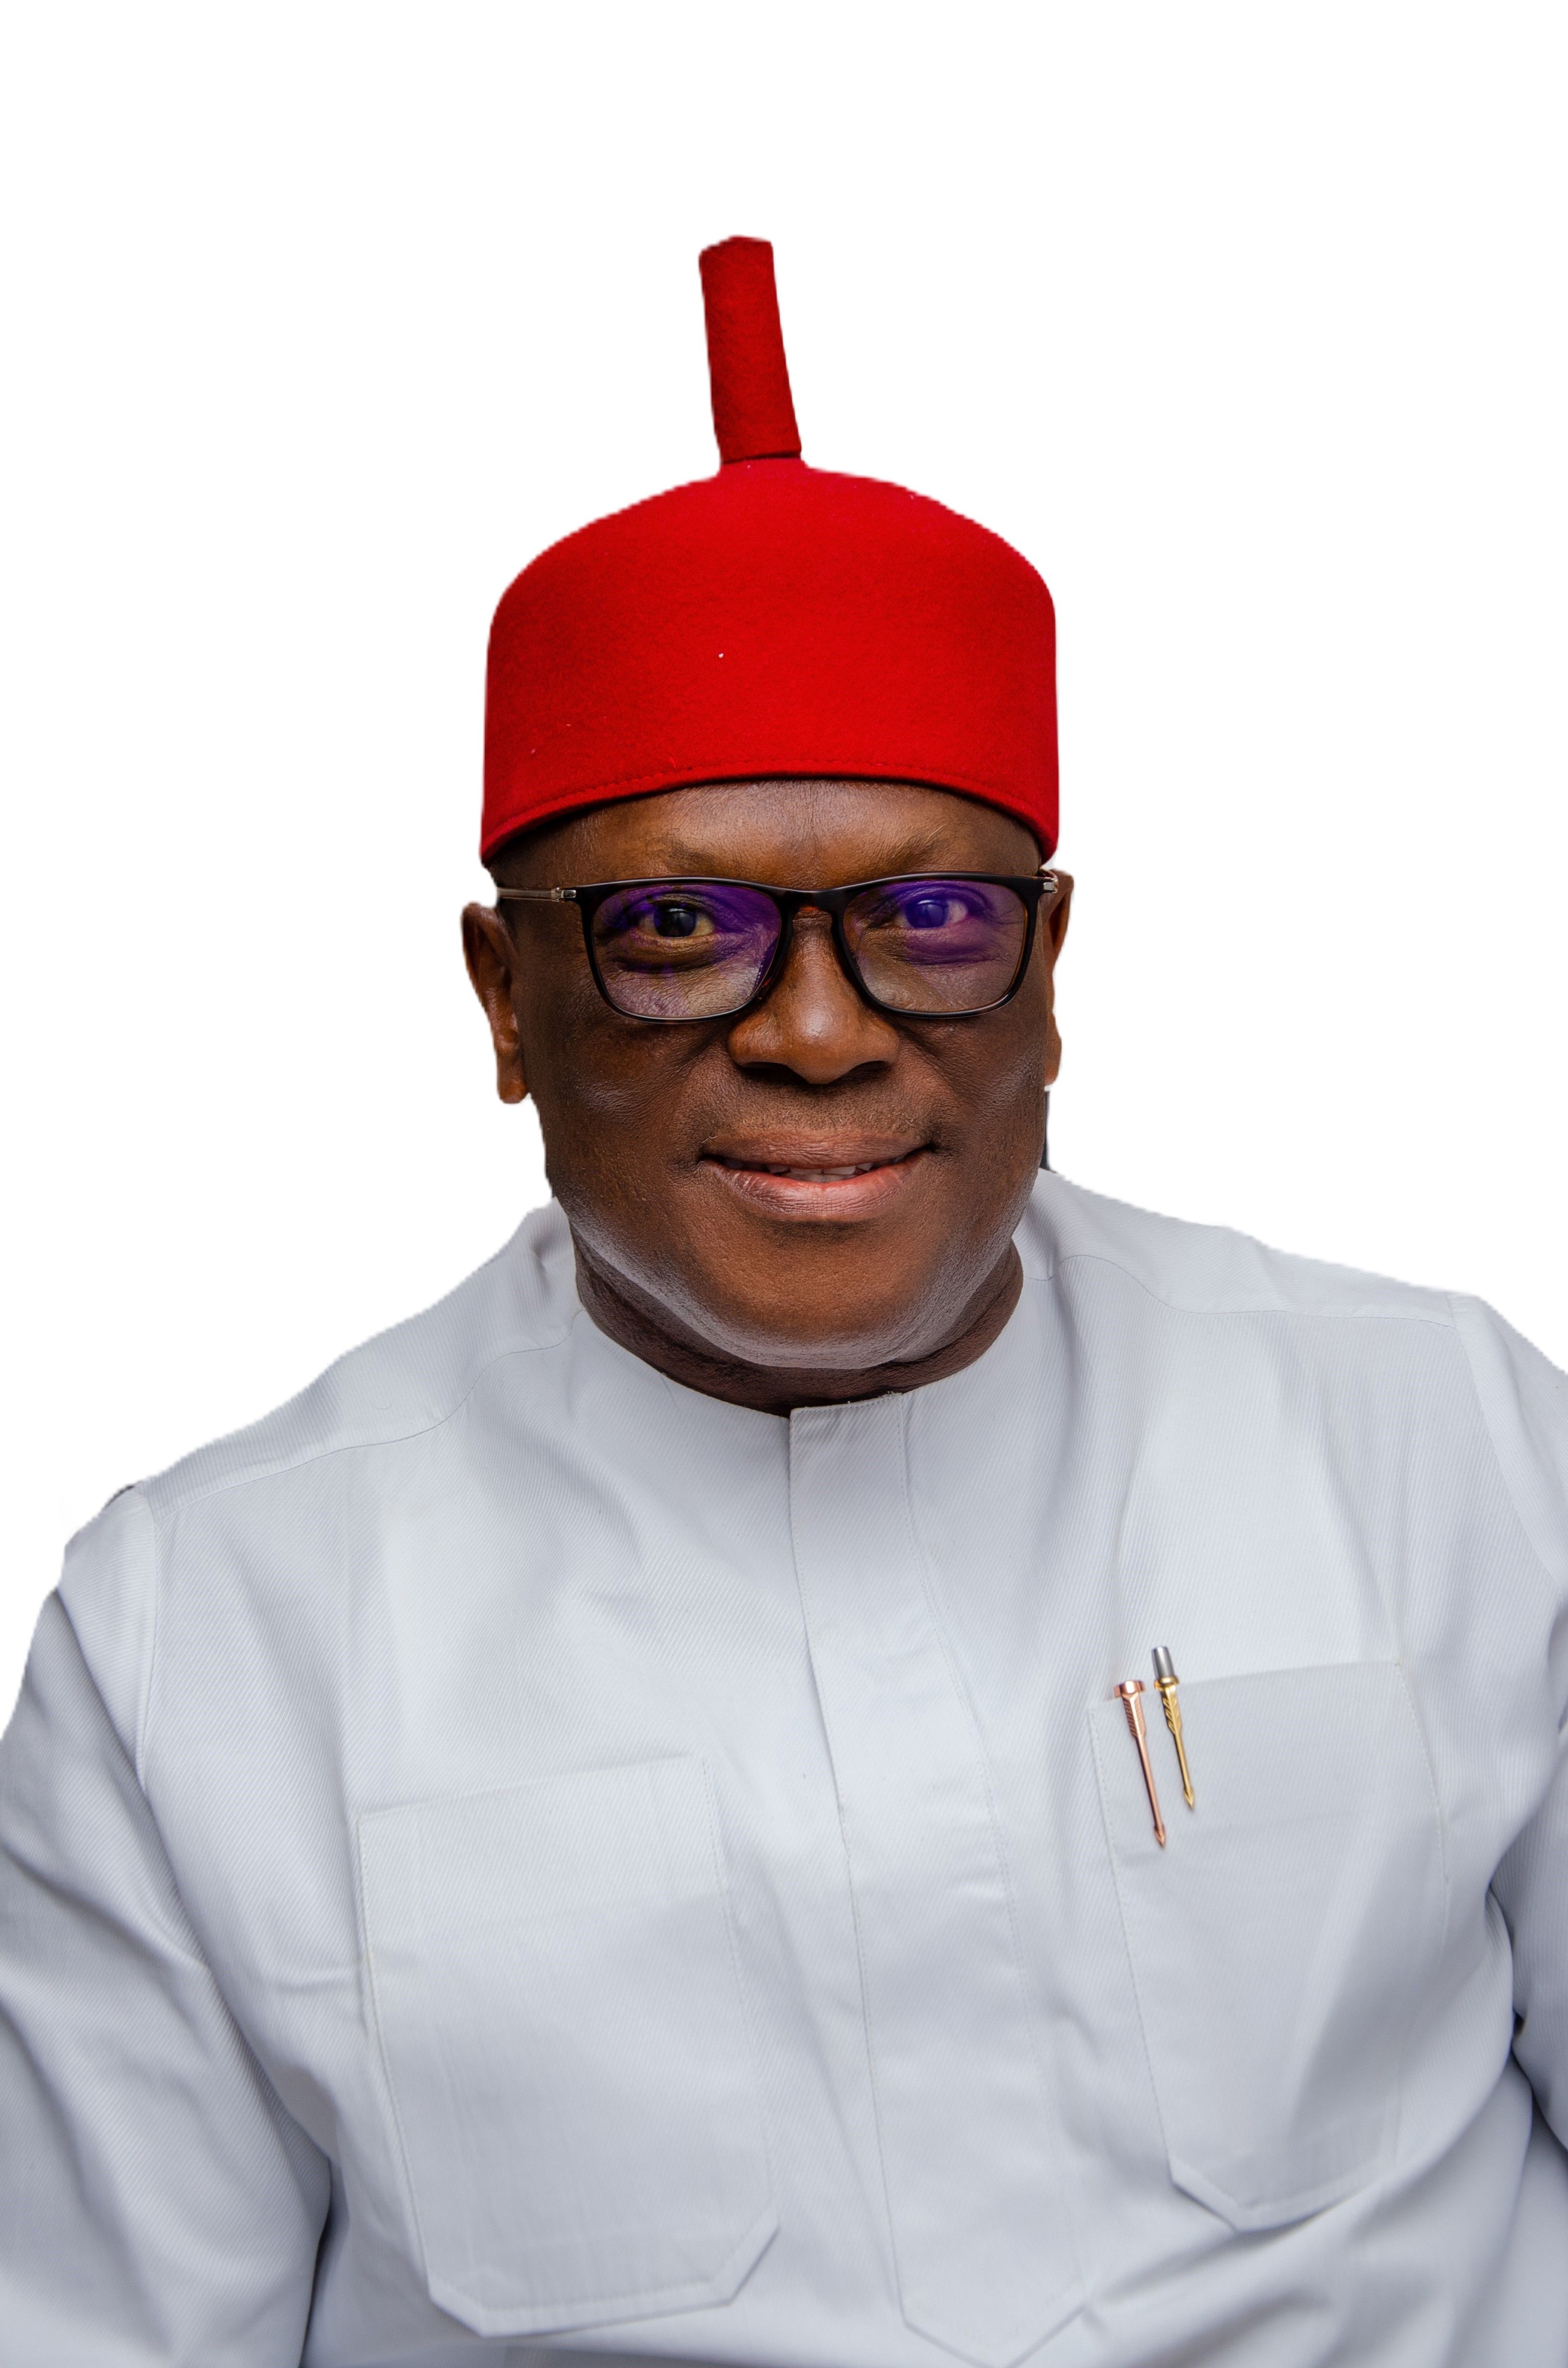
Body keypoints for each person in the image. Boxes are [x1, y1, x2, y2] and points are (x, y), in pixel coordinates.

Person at [0, 236, 1563, 2368]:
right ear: (506, 1000)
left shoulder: (1443, 1442)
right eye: (673, 931)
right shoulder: (206, 1636)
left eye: (934, 920)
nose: (819, 1030)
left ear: (1049, 975)